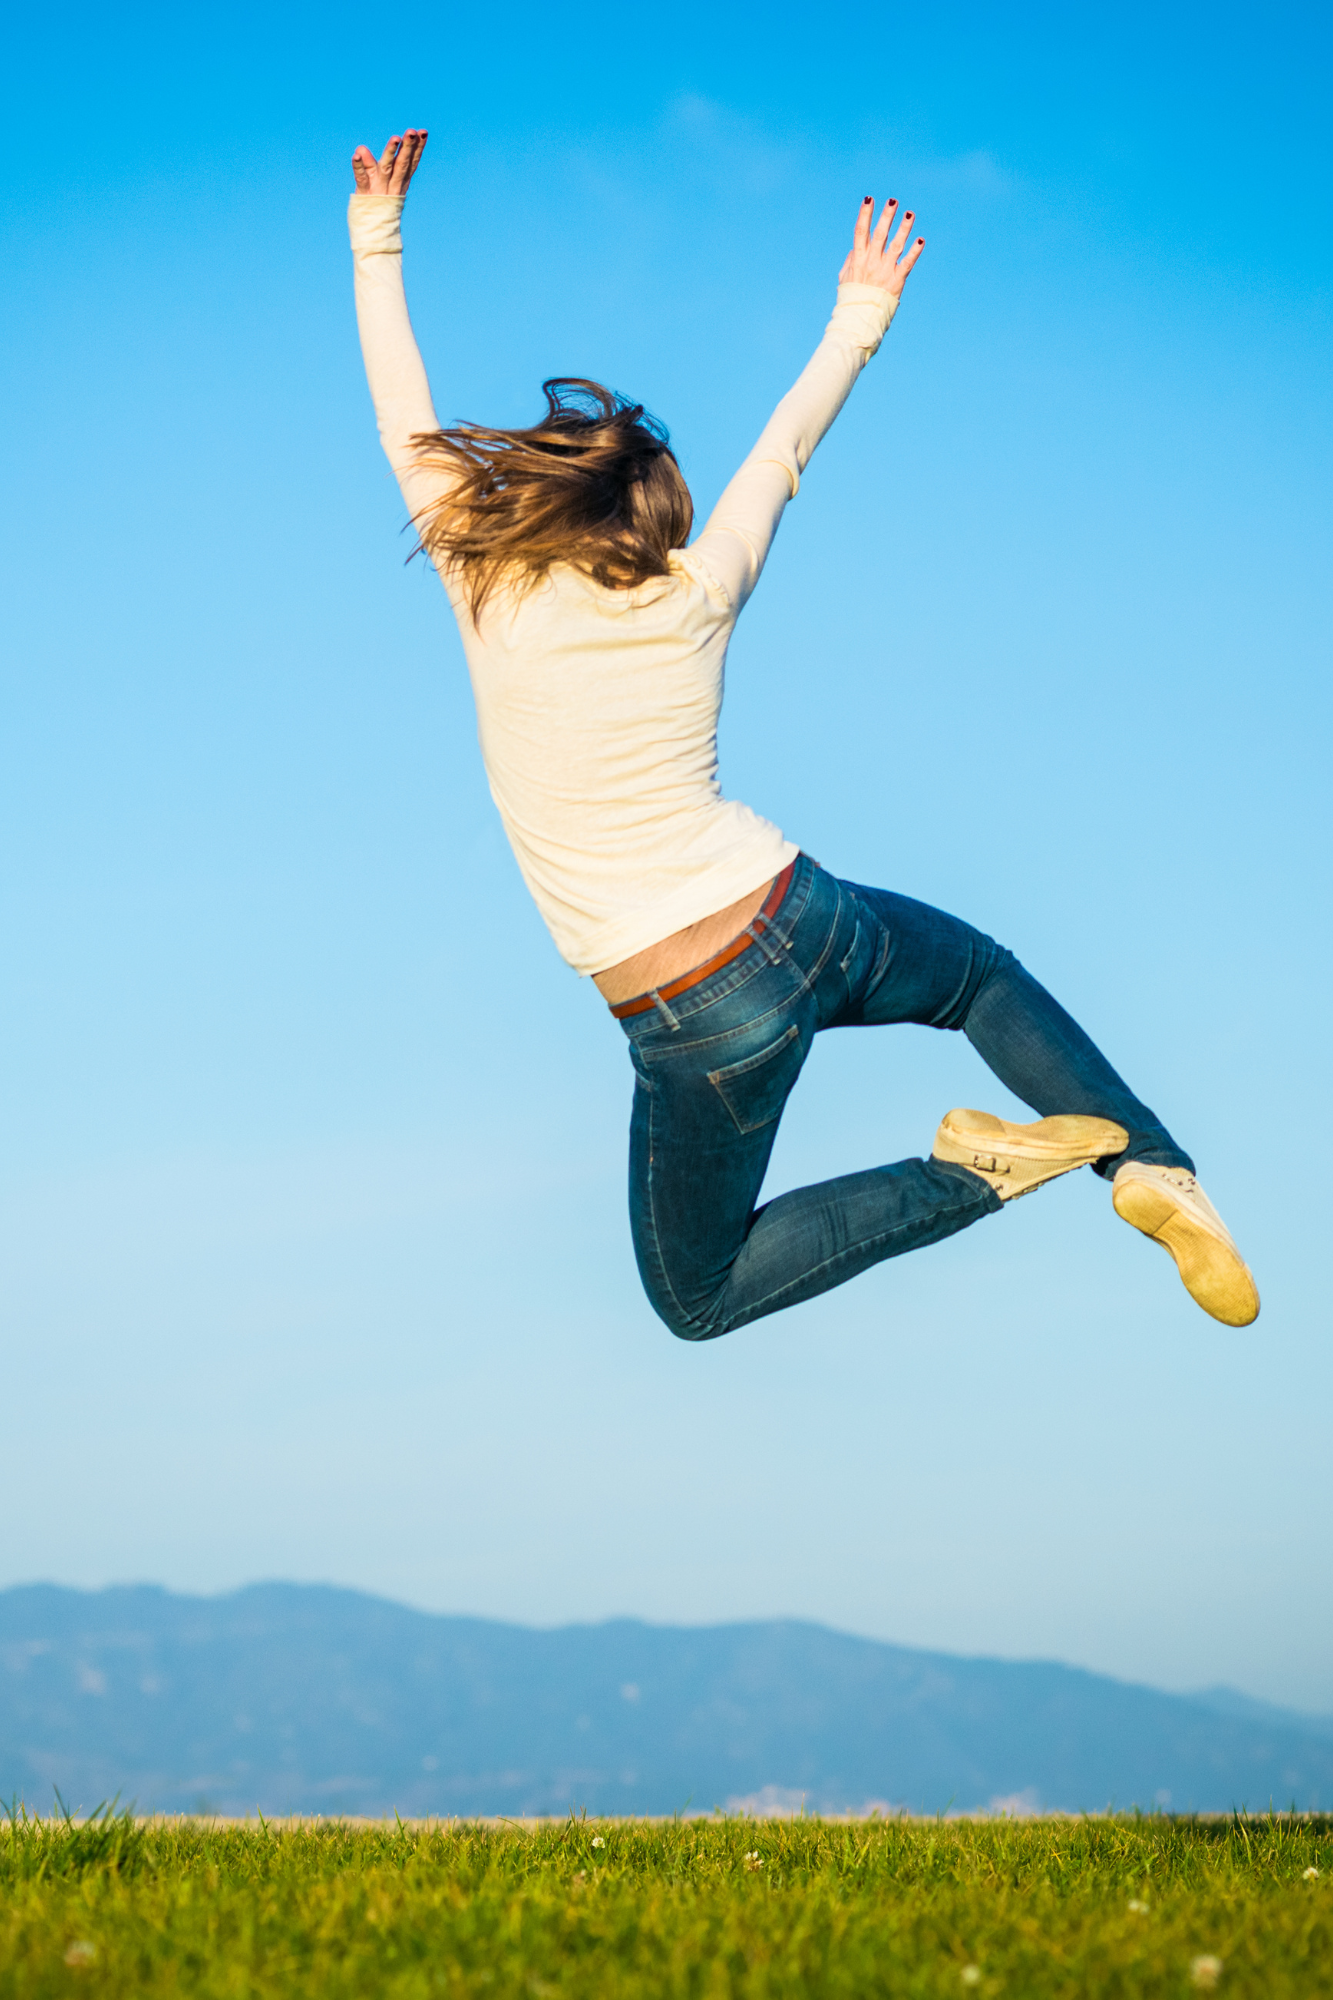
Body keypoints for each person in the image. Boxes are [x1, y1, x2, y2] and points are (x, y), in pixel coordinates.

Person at [348, 129, 1259, 1337]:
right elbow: (782, 449)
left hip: (693, 1010)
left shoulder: (490, 581)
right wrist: (859, 314)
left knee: (699, 1294)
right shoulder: (699, 587)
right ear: (659, 513)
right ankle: (1151, 1164)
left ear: (550, 492)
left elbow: (405, 422)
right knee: (977, 973)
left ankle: (974, 1173)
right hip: (799, 909)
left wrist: (376, 233)